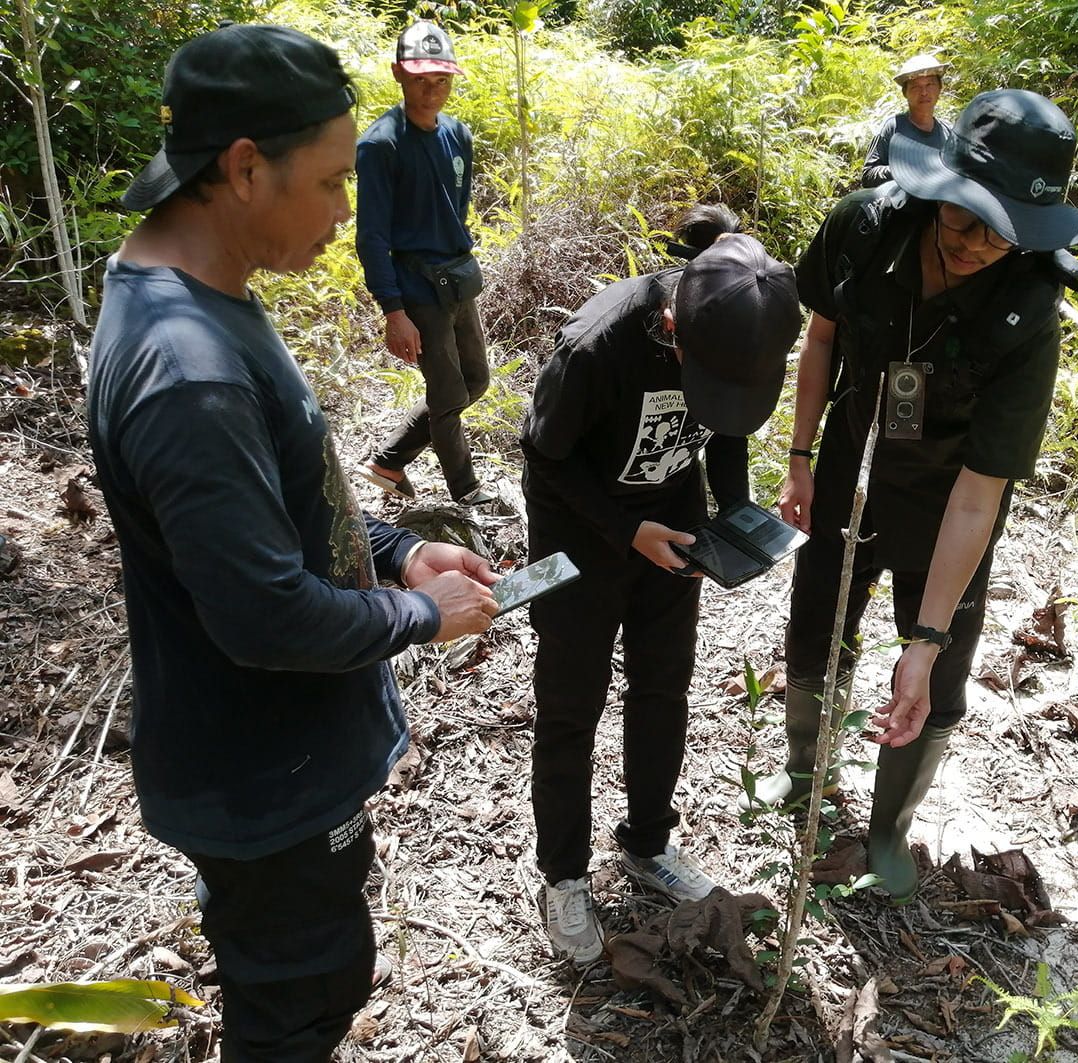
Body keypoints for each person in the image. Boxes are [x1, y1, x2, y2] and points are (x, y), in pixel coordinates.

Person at [89, 24, 501, 1060]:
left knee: (303, 976)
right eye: (326, 183)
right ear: (241, 169)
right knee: (298, 1002)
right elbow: (262, 612)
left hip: (268, 760)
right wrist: (420, 614)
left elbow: (276, 508)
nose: (343, 211)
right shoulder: (190, 370)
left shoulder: (200, 299)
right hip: (261, 777)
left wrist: (402, 551)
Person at [764, 89, 1078, 904]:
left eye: (1002, 230)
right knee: (817, 619)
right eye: (962, 219)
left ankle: (886, 828)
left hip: (948, 491)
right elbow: (821, 338)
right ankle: (803, 767)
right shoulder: (863, 225)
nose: (976, 244)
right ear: (936, 187)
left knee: (939, 667)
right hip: (849, 457)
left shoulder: (1029, 308)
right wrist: (801, 456)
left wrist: (921, 640)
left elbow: (980, 492)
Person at [520, 205, 801, 965]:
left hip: (671, 529)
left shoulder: (740, 328)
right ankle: (565, 877)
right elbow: (543, 455)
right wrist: (622, 531)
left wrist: (735, 519)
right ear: (675, 325)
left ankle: (647, 841)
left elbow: (729, 429)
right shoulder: (597, 343)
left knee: (662, 687)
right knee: (570, 708)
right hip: (580, 538)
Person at [354, 20, 493, 506]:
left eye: (441, 80)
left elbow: (459, 206)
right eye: (419, 80)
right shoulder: (381, 145)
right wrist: (394, 310)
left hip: (457, 279)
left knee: (474, 380)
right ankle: (466, 490)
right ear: (398, 74)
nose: (431, 91)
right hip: (417, 287)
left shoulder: (457, 135)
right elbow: (370, 236)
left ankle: (387, 461)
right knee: (449, 396)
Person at [860, 53, 947, 189]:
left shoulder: (948, 133)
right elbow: (868, 176)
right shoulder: (893, 128)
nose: (924, 92)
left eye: (930, 85)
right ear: (905, 93)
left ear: (940, 88)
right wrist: (905, 170)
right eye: (916, 87)